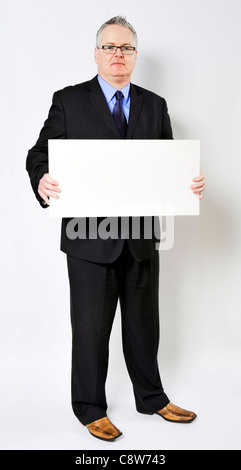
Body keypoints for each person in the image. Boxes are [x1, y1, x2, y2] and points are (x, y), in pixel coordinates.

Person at [26, 16, 205, 442]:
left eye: (125, 48)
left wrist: (188, 183)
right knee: (90, 329)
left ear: (135, 56)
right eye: (109, 47)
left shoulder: (154, 104)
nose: (117, 55)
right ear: (96, 54)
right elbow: (39, 154)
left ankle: (152, 398)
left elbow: (167, 165)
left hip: (141, 237)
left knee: (145, 325)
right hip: (89, 239)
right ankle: (90, 408)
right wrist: (42, 178)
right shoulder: (69, 101)